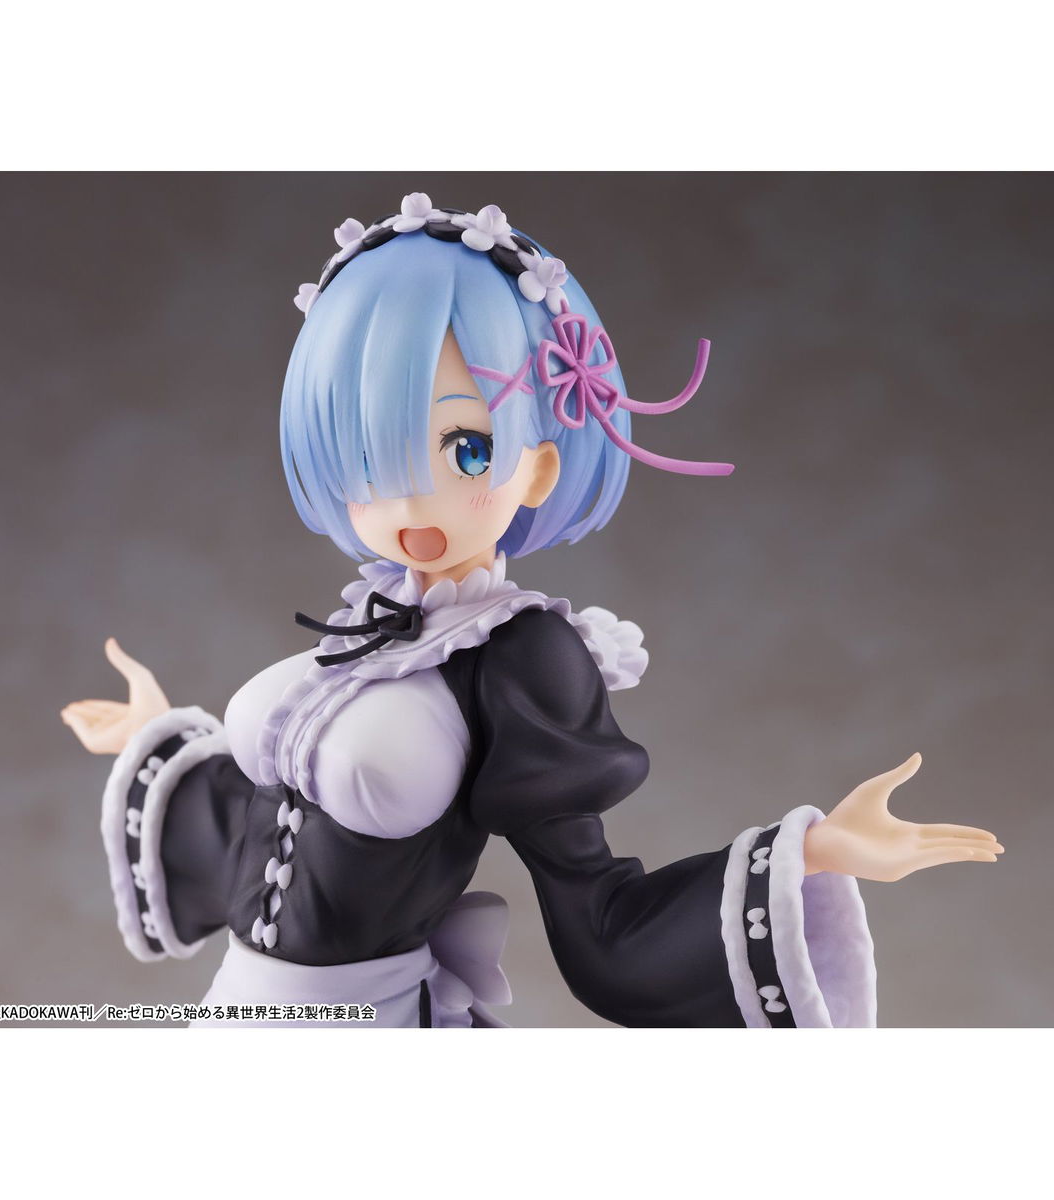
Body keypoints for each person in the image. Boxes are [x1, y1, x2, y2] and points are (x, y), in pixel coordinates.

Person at [61, 193, 1003, 1027]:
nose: (409, 504)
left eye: (465, 450)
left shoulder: (521, 654)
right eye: (369, 459)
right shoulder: (367, 624)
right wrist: (151, 731)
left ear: (539, 465)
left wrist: (814, 853)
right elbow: (262, 823)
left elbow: (596, 905)